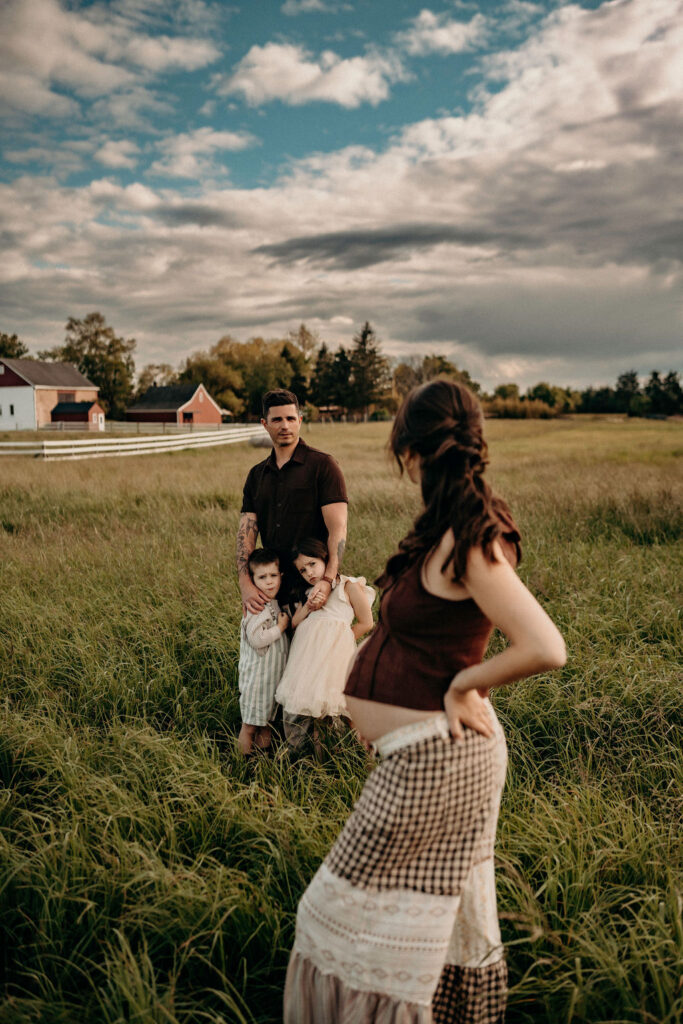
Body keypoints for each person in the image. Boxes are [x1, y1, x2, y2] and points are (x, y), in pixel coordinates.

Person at [284, 379, 567, 1024]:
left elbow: (545, 645)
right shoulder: (442, 528)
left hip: (442, 759)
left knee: (333, 914)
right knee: (449, 918)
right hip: (422, 754)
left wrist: (466, 683)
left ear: (412, 449)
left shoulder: (473, 537)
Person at [237, 388, 348, 747]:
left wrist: (328, 581)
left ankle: (320, 753)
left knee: (314, 674)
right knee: (268, 670)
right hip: (270, 589)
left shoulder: (323, 466)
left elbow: (338, 532)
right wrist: (245, 582)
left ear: (300, 419)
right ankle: (272, 747)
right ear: (264, 424)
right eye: (277, 419)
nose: (285, 426)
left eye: (291, 418)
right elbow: (247, 531)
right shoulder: (257, 475)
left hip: (313, 586)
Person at [275, 537, 375, 740]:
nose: (309, 573)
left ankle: (365, 755)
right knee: (317, 707)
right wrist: (308, 607)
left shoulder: (348, 586)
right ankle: (321, 755)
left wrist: (339, 642)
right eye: (303, 570)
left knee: (346, 707)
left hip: (335, 655)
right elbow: (294, 623)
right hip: (309, 658)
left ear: (326, 560)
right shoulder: (309, 593)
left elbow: (367, 622)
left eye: (312, 564)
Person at [237, 549, 289, 756]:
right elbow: (257, 639)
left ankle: (262, 762)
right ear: (252, 580)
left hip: (271, 680)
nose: (269, 582)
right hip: (257, 680)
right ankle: (242, 765)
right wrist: (281, 628)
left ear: (281, 576)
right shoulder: (256, 606)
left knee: (267, 723)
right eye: (262, 577)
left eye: (273, 576)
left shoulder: (274, 603)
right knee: (250, 725)